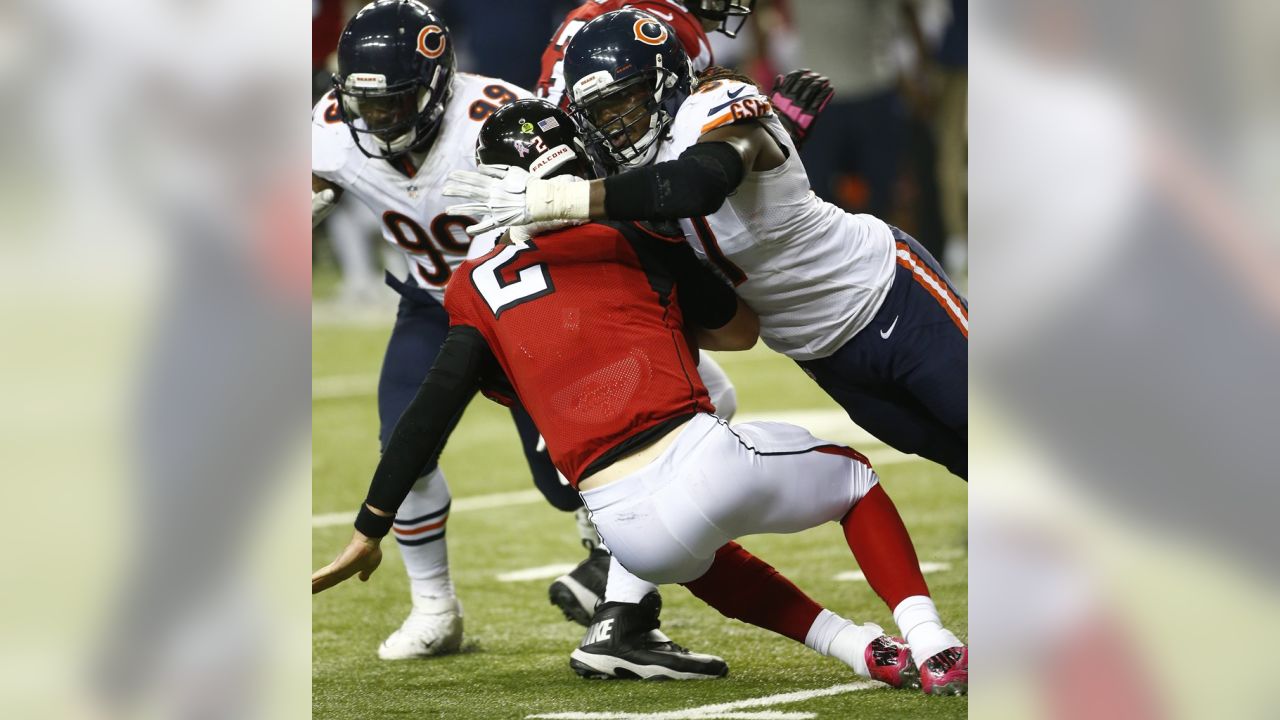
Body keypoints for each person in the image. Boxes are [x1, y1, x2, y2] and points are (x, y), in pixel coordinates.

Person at [316, 98, 967, 693]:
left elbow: (428, 415)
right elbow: (739, 330)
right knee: (852, 481)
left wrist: (370, 529)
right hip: (698, 458)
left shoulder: (468, 289)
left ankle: (859, 648)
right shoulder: (632, 232)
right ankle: (931, 642)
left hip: (620, 523)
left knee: (699, 558)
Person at [311, 0, 715, 666]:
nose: (376, 120)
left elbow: (587, 186)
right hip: (434, 302)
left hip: (526, 301)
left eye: (393, 104)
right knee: (401, 447)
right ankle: (434, 608)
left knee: (570, 478)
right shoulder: (328, 129)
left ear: (436, 86)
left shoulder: (495, 118)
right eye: (366, 106)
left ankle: (618, 582)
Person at [444, 8, 968, 479]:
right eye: (601, 114)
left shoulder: (717, 100)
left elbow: (698, 182)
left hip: (885, 291)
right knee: (951, 451)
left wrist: (562, 197)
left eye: (624, 100)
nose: (616, 123)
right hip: (817, 349)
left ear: (667, 81)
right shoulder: (632, 171)